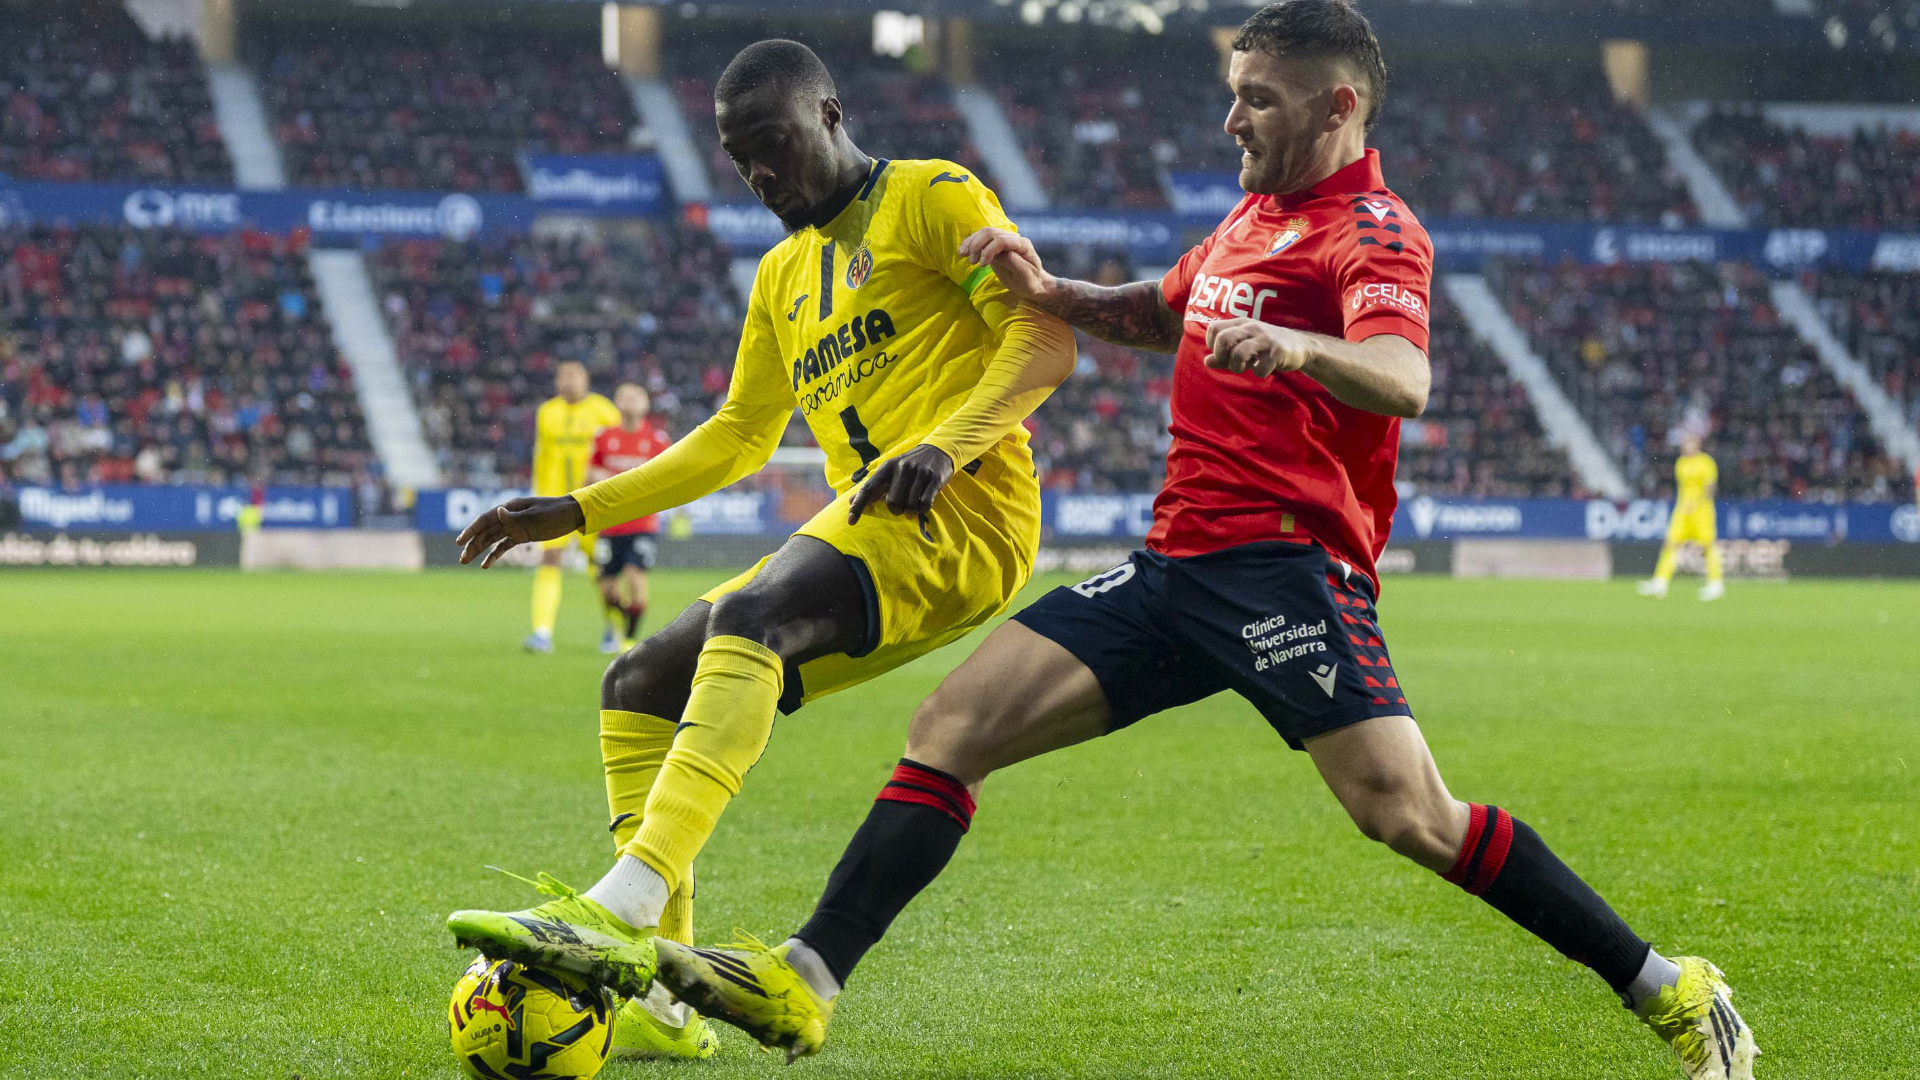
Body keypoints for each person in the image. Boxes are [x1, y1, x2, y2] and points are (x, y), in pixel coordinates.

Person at [648, 6, 1758, 1079]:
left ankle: (1671, 987)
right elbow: (1165, 309)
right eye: (1232, 96)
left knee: (1408, 816)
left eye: (1257, 100)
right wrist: (1055, 292)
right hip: (1174, 567)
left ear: (1337, 106)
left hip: (1285, 570)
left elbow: (1406, 376)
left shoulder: (1373, 230)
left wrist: (1298, 346)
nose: (1232, 120)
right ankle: (805, 977)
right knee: (951, 725)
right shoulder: (1248, 219)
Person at [442, 37, 1076, 1062]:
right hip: (866, 532)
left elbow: (1046, 337)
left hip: (968, 518)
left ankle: (625, 907)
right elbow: (740, 435)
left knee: (752, 614)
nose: (760, 174)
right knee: (639, 677)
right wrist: (580, 508)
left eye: (772, 143)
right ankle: (670, 1003)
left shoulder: (934, 195)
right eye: (741, 160)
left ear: (828, 115)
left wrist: (947, 447)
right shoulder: (782, 273)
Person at [525, 361, 621, 654]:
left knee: (602, 568)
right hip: (554, 501)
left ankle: (614, 628)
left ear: (586, 379)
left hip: (593, 501)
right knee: (550, 558)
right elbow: (540, 456)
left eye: (574, 376)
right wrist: (536, 495)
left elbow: (619, 453)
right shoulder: (547, 412)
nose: (568, 382)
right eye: (563, 377)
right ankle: (541, 633)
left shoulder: (604, 412)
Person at [588, 384, 672, 654]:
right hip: (610, 524)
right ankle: (619, 623)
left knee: (635, 579)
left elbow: (671, 477)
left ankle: (629, 639)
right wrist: (599, 478)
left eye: (636, 397)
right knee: (607, 590)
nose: (629, 402)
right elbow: (589, 474)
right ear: (616, 402)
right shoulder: (604, 437)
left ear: (646, 404)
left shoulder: (658, 439)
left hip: (642, 524)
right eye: (624, 396)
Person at [1639, 432, 1724, 601]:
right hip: (1682, 511)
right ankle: (1660, 583)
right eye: (1685, 443)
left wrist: (1698, 502)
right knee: (1670, 544)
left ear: (1697, 444)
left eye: (1689, 443)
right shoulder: (1681, 463)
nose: (1686, 446)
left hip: (1702, 511)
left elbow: (1711, 488)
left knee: (1707, 546)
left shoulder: (1706, 462)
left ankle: (1716, 584)